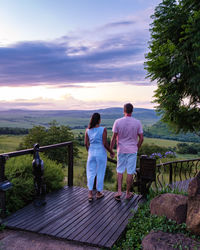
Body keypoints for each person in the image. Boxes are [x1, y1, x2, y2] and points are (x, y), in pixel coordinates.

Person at [110, 103, 143, 201]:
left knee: (119, 171)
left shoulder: (118, 122)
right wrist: (137, 147)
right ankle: (128, 193)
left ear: (124, 110)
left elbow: (113, 138)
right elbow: (141, 138)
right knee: (130, 172)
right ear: (132, 111)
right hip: (132, 150)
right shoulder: (137, 122)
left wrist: (111, 150)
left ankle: (119, 191)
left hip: (121, 150)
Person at [85, 113, 114, 201]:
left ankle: (90, 194)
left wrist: (89, 151)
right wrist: (111, 152)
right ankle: (98, 193)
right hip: (101, 152)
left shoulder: (87, 130)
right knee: (100, 172)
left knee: (90, 172)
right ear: (99, 120)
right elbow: (105, 143)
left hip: (91, 153)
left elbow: (86, 144)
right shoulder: (103, 129)